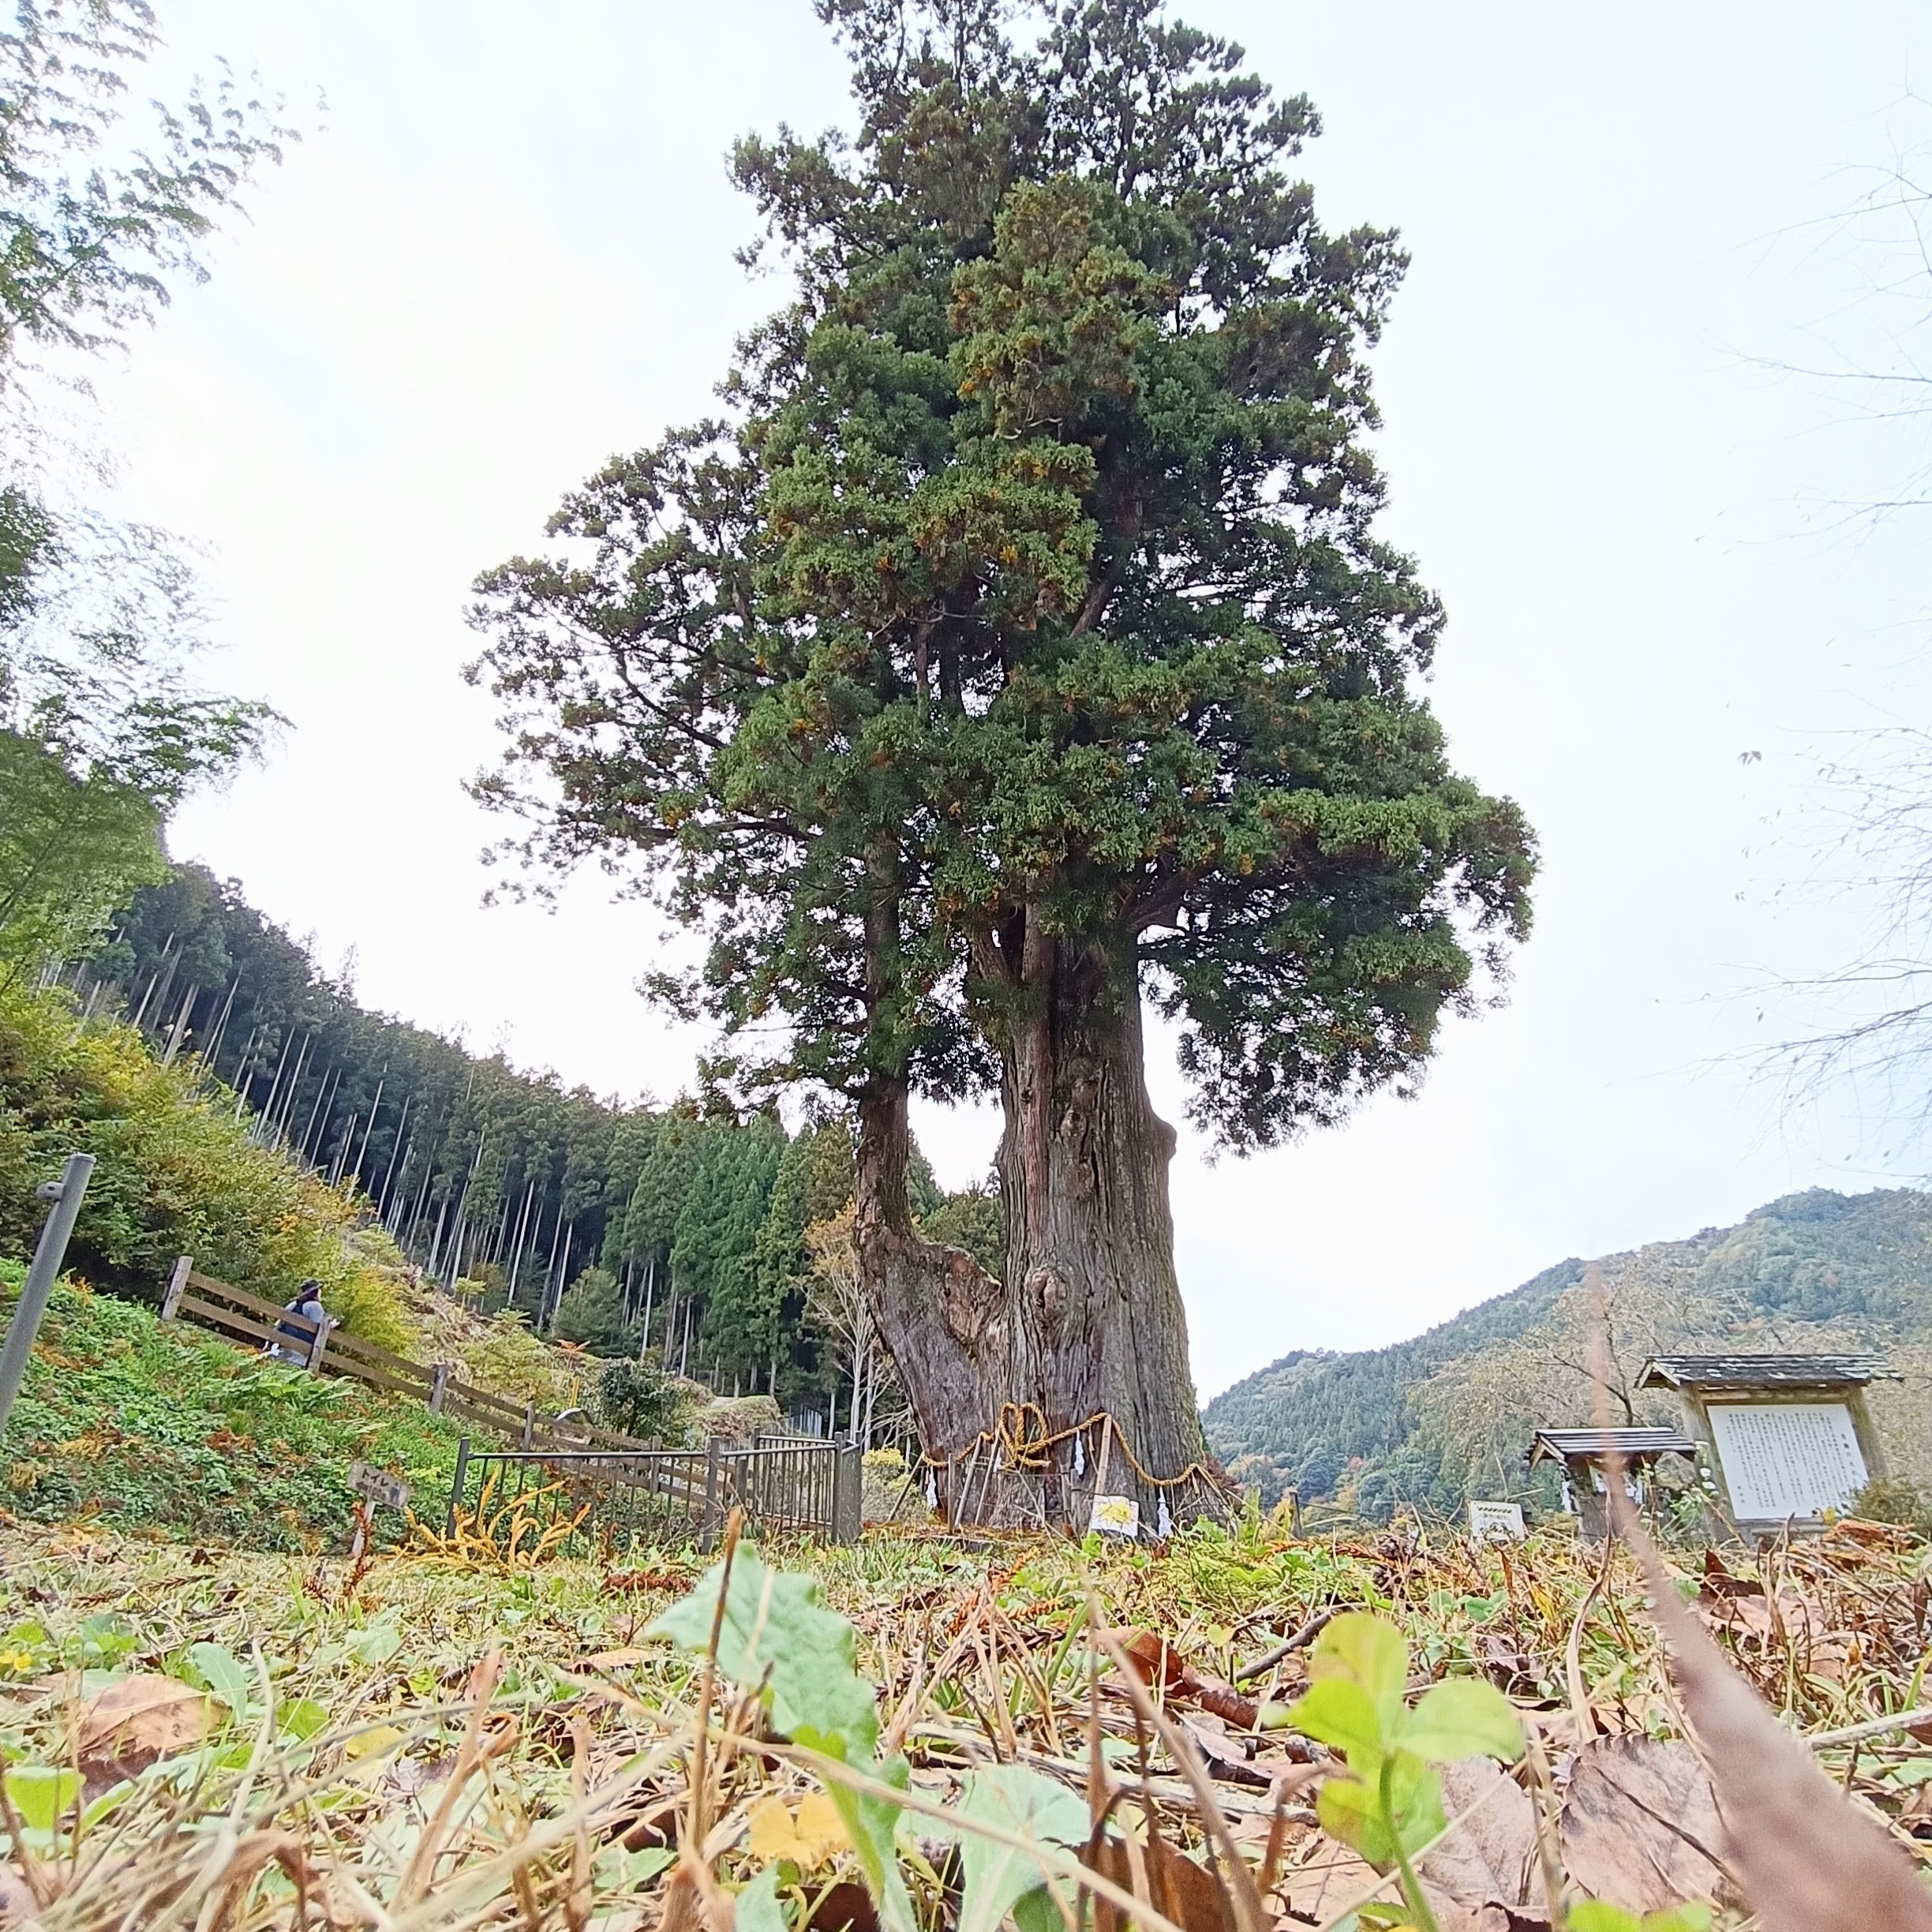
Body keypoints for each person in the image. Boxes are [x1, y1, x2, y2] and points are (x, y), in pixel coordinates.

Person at [267, 1279, 326, 1364]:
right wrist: (331, 1327)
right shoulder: (315, 1306)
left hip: (282, 1345)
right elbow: (320, 1328)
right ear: (316, 1292)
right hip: (299, 1349)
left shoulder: (293, 1305)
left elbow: (280, 1322)